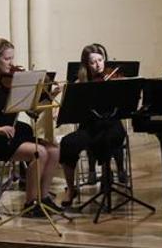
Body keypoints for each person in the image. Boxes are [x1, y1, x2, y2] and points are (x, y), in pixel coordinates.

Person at [0, 38, 61, 217]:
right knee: (39, 152)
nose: (12, 63)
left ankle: (44, 197)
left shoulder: (11, 83)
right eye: (7, 59)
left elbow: (32, 110)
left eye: (12, 58)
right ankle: (30, 204)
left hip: (12, 134)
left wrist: (49, 95)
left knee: (54, 150)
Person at [59, 43, 129, 207]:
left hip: (112, 125)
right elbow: (70, 110)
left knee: (108, 139)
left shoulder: (114, 78)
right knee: (67, 143)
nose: (98, 65)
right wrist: (70, 92)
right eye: (93, 62)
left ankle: (108, 177)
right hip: (89, 128)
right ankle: (71, 189)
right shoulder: (81, 83)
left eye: (100, 60)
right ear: (86, 65)